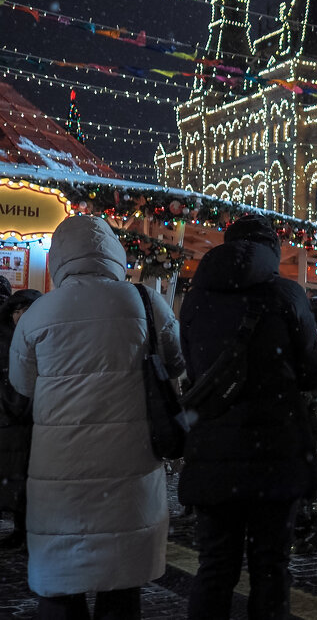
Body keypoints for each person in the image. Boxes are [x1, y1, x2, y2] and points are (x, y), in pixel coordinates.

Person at [9, 215, 185, 618]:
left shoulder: (40, 312)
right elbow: (174, 364)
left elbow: (23, 385)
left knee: (60, 586)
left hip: (59, 467)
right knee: (120, 586)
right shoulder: (144, 301)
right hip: (130, 461)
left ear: (59, 258)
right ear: (113, 253)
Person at [178, 214, 317, 619]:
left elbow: (194, 367)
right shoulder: (287, 294)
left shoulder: (196, 296)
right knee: (271, 565)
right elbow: (312, 372)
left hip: (213, 447)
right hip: (276, 450)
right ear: (271, 252)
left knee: (215, 565)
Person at [0, 289, 41, 551]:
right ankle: (20, 530)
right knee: (13, 476)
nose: (21, 316)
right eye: (18, 311)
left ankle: (24, 530)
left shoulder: (35, 335)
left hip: (30, 416)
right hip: (9, 417)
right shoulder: (5, 336)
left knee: (28, 479)